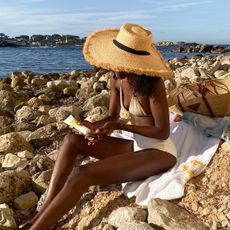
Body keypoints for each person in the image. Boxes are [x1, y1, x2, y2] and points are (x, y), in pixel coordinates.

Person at [22, 23, 177, 230]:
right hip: (137, 146)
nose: (116, 69)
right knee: (71, 139)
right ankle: (42, 214)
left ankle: (38, 228)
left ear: (136, 63)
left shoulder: (153, 84)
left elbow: (162, 131)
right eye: (115, 62)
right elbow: (111, 116)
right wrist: (92, 126)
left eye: (123, 64)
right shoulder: (115, 79)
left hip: (159, 151)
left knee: (82, 173)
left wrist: (122, 126)